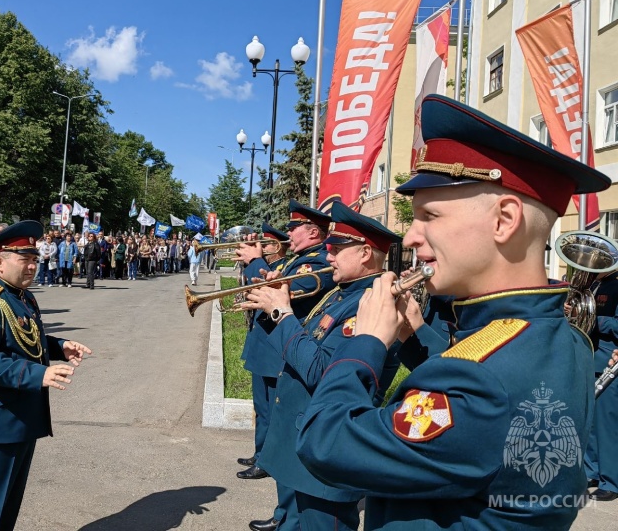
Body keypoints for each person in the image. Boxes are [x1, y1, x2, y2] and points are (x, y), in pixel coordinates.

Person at [295, 94, 611, 529]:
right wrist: (411, 335)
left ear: (504, 219)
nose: (410, 239)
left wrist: (364, 344)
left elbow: (324, 442)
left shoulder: (483, 381)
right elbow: (473, 370)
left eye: (429, 216)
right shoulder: (562, 335)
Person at [243, 203, 402, 530]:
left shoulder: (368, 303)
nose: (328, 256)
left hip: (328, 448)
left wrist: (281, 313)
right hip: (306, 440)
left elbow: (321, 372)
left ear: (363, 254)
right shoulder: (343, 294)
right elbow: (305, 342)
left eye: (336, 249)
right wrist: (276, 305)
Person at [0, 220, 91, 530]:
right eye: (23, 259)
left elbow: (25, 341)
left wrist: (59, 346)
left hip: (20, 421)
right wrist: (37, 374)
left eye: (34, 259)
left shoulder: (22, 297)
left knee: (5, 510)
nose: (31, 267)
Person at [233, 201, 337, 531]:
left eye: (294, 228)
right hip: (280, 350)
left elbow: (275, 296)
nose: (288, 232)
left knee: (288, 441)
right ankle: (285, 514)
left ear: (313, 232)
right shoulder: (298, 261)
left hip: (290, 353)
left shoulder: (314, 264)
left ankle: (289, 517)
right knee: (278, 433)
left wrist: (255, 264)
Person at [235, 223, 289, 473]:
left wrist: (255, 261)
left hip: (272, 350)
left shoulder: (281, 270)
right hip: (262, 346)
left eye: (267, 245)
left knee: (268, 409)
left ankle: (266, 460)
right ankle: (260, 454)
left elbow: (266, 292)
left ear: (278, 248)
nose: (262, 248)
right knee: (261, 407)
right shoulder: (268, 267)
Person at [584, 269, 618, 501]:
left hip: (609, 360)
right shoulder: (594, 286)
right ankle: (591, 471)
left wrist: (597, 320)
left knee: (607, 426)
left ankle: (611, 481)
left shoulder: (616, 286)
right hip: (591, 358)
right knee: (592, 422)